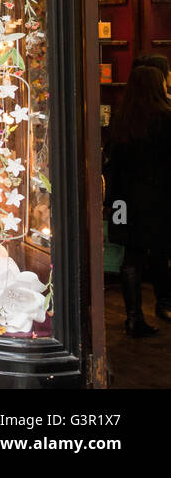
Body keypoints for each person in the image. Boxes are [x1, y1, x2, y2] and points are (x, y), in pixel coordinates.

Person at [105, 65, 171, 336]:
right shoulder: (166, 119)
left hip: (123, 202)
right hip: (158, 201)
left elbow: (112, 164)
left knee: (130, 255)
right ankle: (164, 304)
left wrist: (113, 203)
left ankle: (133, 317)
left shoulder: (121, 120)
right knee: (161, 252)